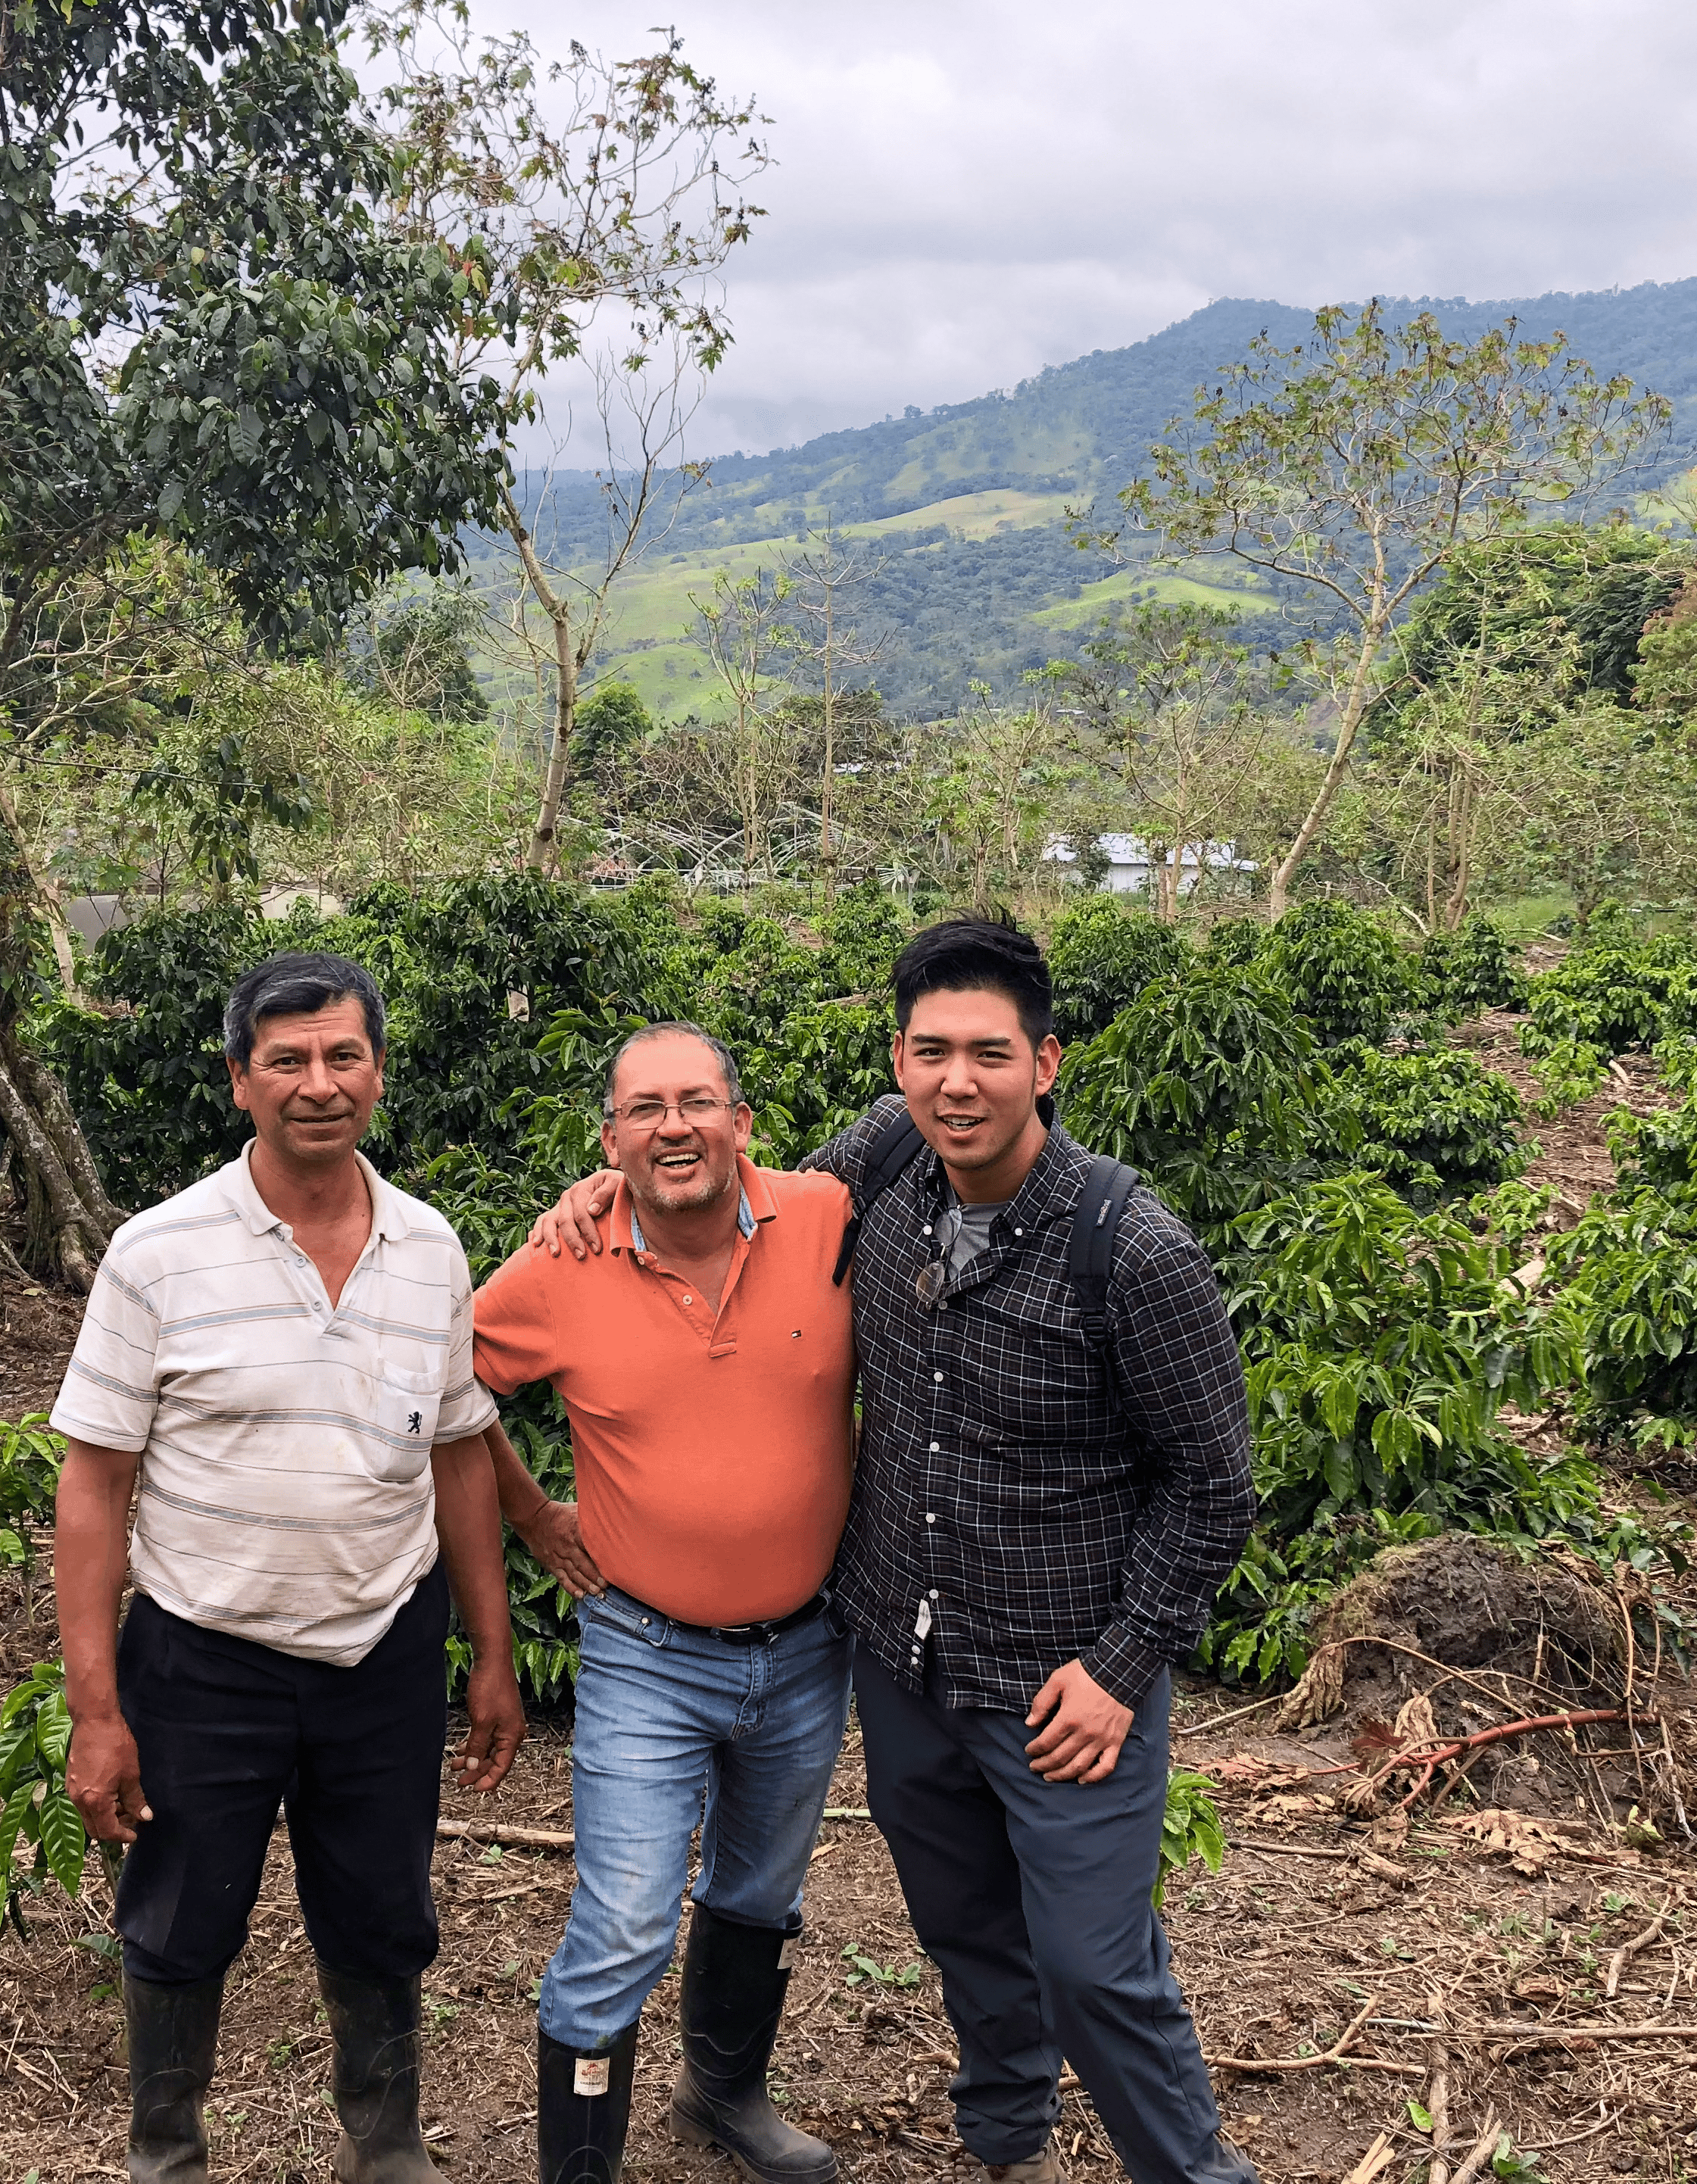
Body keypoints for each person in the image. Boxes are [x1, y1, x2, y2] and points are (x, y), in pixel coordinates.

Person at [536, 917, 1261, 2184]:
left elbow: (1213, 1488)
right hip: (905, 1664)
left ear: (1048, 1063)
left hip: (1061, 1686)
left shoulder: (1130, 1249)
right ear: (899, 1061)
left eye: (989, 1054)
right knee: (969, 1937)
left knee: (1099, 1970)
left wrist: (1124, 1664)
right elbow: (737, 1206)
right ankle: (1007, 2148)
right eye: (931, 1054)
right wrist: (618, 1186)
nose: (956, 1083)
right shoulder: (882, 1167)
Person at [49, 950, 525, 2184]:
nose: (320, 1083)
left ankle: (385, 2143)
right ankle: (169, 2153)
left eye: (343, 1056)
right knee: (178, 1919)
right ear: (239, 1083)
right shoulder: (159, 1253)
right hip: (203, 1659)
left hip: (381, 1651)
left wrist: (491, 1653)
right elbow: (94, 1486)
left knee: (380, 1914)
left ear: (376, 1069)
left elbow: (462, 1456)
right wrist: (96, 1711)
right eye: (288, 1061)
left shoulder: (429, 1246)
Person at [472, 1023, 859, 2184]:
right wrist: (535, 1515)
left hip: (807, 1647)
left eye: (697, 1103)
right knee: (628, 1919)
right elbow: (446, 1384)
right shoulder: (561, 1264)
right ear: (610, 1140)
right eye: (644, 1110)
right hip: (646, 1649)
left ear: (744, 1124)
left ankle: (723, 2093)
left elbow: (955, 1124)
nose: (673, 1125)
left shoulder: (833, 1216)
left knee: (760, 1890)